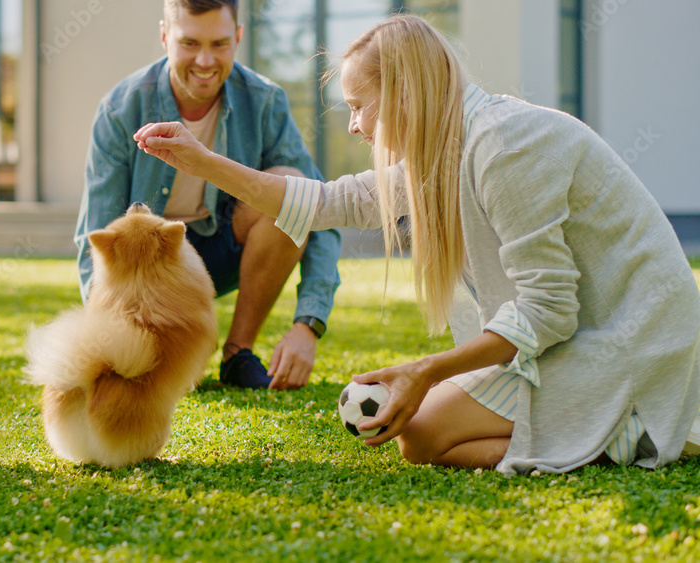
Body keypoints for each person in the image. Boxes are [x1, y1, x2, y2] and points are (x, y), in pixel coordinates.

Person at [134, 15, 700, 473]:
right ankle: (588, 431)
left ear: (405, 93)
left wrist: (427, 370)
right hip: (580, 339)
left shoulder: (506, 144)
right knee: (420, 433)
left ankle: (632, 432)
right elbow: (329, 202)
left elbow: (549, 309)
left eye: (359, 105)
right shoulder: (448, 147)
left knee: (423, 431)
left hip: (631, 344)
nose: (354, 127)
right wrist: (200, 160)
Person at [75, 0, 342, 390]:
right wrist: (105, 340)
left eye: (219, 44)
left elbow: (317, 209)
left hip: (228, 248)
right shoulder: (120, 108)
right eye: (189, 43)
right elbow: (98, 239)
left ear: (237, 38)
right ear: (165, 36)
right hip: (152, 265)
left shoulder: (264, 100)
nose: (204, 60)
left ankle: (238, 354)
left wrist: (309, 324)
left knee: (290, 184)